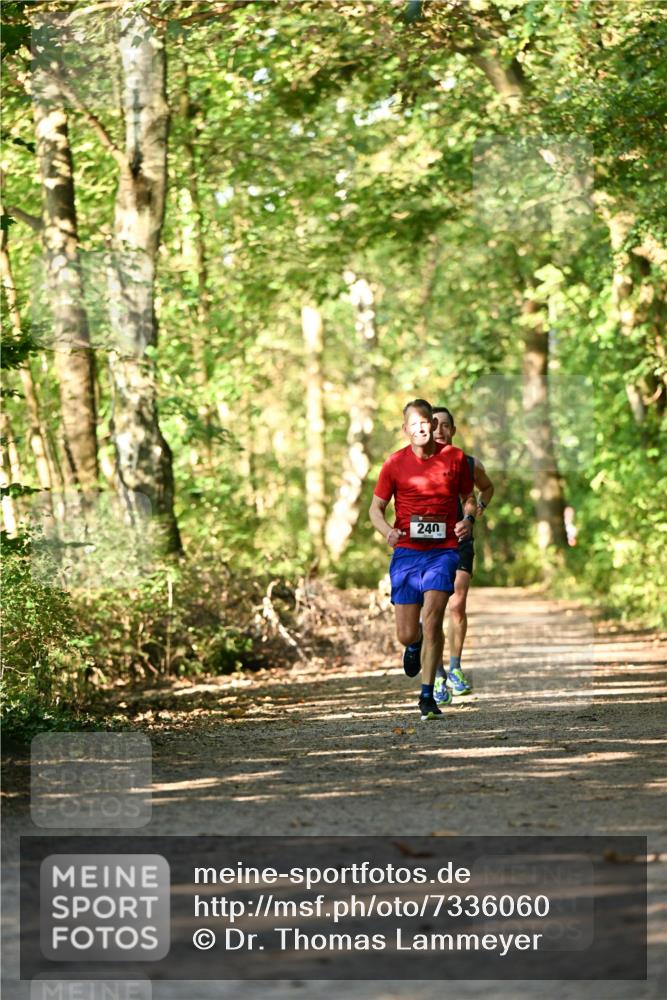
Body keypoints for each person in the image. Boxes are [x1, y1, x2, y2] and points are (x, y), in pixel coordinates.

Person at [369, 399, 475, 721]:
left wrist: (468, 520)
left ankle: (428, 695)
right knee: (406, 633)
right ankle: (413, 645)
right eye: (413, 424)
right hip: (406, 553)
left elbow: (469, 498)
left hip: (443, 552)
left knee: (433, 619)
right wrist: (387, 531)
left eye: (425, 423)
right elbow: (375, 509)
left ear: (432, 425)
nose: (420, 429)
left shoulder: (455, 458)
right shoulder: (394, 464)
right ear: (406, 429)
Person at [431, 406, 494, 702]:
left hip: (459, 540)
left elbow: (487, 488)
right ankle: (438, 674)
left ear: (453, 430)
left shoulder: (468, 464)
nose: (439, 430)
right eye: (434, 425)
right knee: (431, 611)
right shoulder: (416, 463)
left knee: (457, 603)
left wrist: (477, 511)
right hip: (429, 545)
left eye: (445, 425)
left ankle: (455, 668)